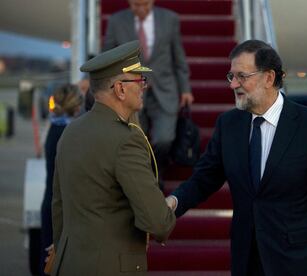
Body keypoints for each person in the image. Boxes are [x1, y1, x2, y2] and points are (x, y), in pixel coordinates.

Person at [166, 40, 307, 276]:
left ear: (269, 78)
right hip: (247, 260)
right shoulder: (228, 124)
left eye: (242, 76)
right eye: (231, 76)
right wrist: (173, 202)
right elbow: (204, 179)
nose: (233, 84)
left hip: (299, 261)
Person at [50, 41, 176, 276]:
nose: (144, 88)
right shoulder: (126, 140)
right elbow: (157, 221)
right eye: (140, 81)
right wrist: (168, 207)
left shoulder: (71, 131)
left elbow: (59, 206)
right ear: (120, 89)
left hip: (69, 264)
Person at [103, 0, 193, 187]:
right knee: (136, 139)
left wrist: (185, 89)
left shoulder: (170, 19)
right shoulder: (117, 21)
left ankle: (157, 168)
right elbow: (107, 57)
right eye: (136, 5)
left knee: (164, 139)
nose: (141, 9)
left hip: (164, 89)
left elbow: (178, 56)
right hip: (130, 91)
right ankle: (144, 178)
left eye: (145, 4)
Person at [40, 84, 83, 275]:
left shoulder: (54, 127)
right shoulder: (69, 134)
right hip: (62, 207)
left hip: (49, 202)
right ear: (76, 108)